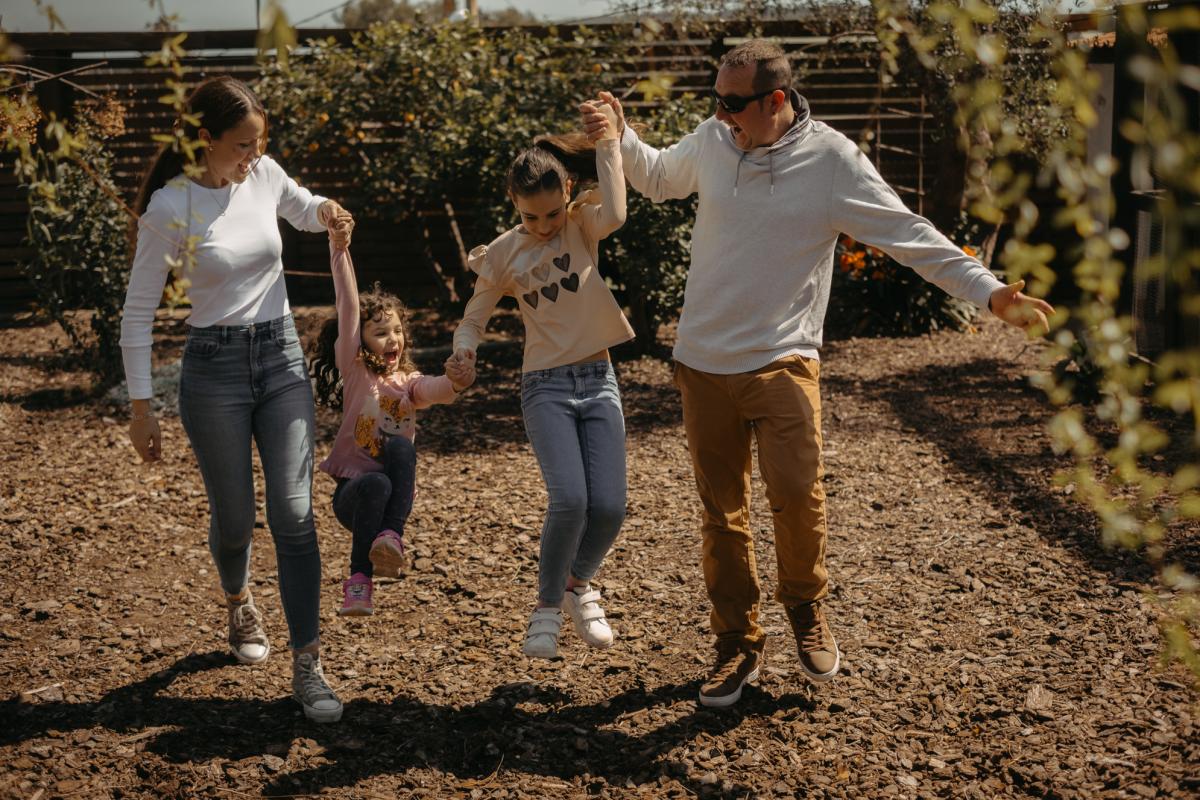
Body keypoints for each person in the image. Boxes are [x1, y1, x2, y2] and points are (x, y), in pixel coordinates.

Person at [583, 40, 1054, 707]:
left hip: (783, 359)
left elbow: (908, 234)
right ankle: (736, 644)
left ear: (776, 100)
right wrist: (622, 134)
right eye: (716, 99)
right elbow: (659, 178)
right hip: (702, 363)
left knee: (798, 497)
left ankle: (805, 609)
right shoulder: (715, 139)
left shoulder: (831, 161)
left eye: (733, 102)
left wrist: (990, 292)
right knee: (722, 516)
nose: (720, 113)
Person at [120, 75, 356, 723]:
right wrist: (141, 408)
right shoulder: (169, 207)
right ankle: (238, 599)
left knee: (295, 515)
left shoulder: (264, 174)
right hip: (213, 371)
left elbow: (304, 207)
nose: (254, 154)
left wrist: (329, 211)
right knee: (234, 521)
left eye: (260, 143)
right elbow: (137, 314)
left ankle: (308, 664)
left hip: (280, 359)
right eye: (243, 144)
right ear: (206, 138)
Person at [449, 100, 631, 660]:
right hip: (545, 386)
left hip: (598, 378)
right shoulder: (504, 253)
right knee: (570, 500)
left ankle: (578, 584)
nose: (544, 226)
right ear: (514, 204)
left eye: (551, 213)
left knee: (610, 507)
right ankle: (547, 607)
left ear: (567, 193)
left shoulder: (581, 225)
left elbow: (617, 212)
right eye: (531, 217)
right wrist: (464, 352)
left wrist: (609, 143)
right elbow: (475, 316)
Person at [310, 236, 475, 617]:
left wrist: (456, 382)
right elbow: (348, 306)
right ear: (361, 340)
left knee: (400, 449)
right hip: (354, 496)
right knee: (376, 483)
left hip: (393, 505)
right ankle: (358, 582)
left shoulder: (407, 382)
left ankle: (391, 537)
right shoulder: (355, 371)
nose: (393, 339)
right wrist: (339, 248)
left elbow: (434, 389)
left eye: (397, 331)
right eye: (381, 332)